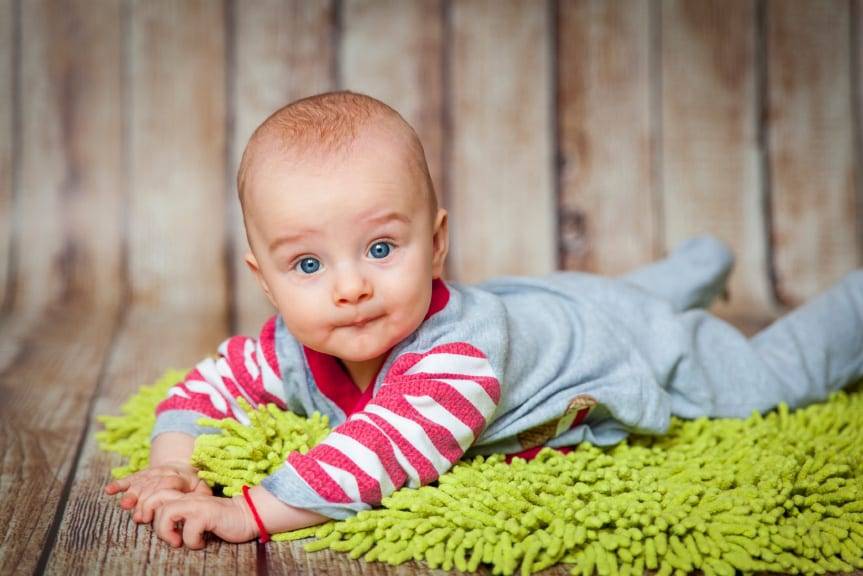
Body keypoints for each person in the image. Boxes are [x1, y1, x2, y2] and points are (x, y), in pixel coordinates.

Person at [104, 90, 863, 550]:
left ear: (435, 244)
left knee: (764, 378)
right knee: (592, 296)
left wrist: (250, 512)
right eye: (307, 265)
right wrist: (172, 462)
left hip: (618, 344)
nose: (350, 287)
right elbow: (200, 391)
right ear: (265, 282)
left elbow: (383, 451)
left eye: (379, 247)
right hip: (547, 303)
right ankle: (696, 266)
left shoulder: (456, 360)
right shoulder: (288, 349)